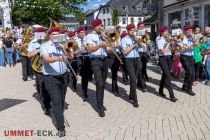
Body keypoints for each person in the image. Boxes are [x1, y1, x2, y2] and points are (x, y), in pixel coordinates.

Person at [40, 26, 74, 137]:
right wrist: (57, 58)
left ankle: (58, 113)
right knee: (57, 101)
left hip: (63, 76)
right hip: (50, 78)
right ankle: (61, 127)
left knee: (62, 99)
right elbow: (46, 59)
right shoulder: (44, 46)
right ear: (50, 36)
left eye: (58, 34)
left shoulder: (62, 45)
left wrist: (67, 49)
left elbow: (71, 56)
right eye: (54, 34)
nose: (56, 36)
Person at [86, 19, 116, 117]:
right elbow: (90, 49)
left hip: (105, 60)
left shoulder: (103, 36)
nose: (101, 27)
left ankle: (100, 102)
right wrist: (100, 45)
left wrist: (112, 45)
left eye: (102, 25)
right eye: (99, 26)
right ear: (95, 26)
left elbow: (107, 49)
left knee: (102, 84)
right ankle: (100, 107)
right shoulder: (89, 36)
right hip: (95, 61)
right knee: (99, 83)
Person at [27, 27, 51, 115]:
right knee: (42, 87)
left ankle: (49, 101)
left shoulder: (47, 42)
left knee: (49, 86)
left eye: (43, 33)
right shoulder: (32, 43)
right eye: (39, 33)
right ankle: (46, 106)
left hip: (48, 66)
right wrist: (38, 50)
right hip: (38, 68)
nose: (42, 35)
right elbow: (29, 54)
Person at [121, 23, 141, 107]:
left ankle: (130, 94)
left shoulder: (136, 38)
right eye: (131, 30)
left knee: (135, 79)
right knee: (133, 79)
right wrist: (133, 44)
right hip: (129, 60)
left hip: (137, 58)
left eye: (134, 30)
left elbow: (143, 46)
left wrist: (139, 41)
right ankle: (135, 100)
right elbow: (125, 52)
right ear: (128, 31)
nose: (133, 32)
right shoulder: (124, 39)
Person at [156, 26, 178, 102]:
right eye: (165, 32)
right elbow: (163, 51)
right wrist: (169, 42)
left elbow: (172, 50)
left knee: (164, 75)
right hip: (163, 58)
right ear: (161, 32)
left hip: (169, 58)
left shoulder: (166, 39)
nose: (167, 33)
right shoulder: (159, 40)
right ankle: (172, 96)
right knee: (168, 76)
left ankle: (160, 91)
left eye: (167, 31)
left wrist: (172, 44)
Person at [75, 26, 92, 101]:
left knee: (88, 74)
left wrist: (87, 48)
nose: (82, 33)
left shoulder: (87, 38)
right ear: (78, 33)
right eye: (81, 32)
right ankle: (84, 93)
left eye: (83, 32)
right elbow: (73, 51)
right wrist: (78, 50)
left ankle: (85, 87)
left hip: (88, 57)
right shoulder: (75, 40)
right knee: (84, 76)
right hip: (80, 57)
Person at [179, 25, 196, 95]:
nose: (191, 32)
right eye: (190, 31)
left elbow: (197, 44)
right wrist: (192, 45)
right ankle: (189, 89)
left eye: (191, 31)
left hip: (191, 56)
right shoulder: (181, 37)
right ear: (186, 31)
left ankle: (184, 86)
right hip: (184, 57)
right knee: (190, 72)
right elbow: (183, 48)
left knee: (188, 72)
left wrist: (194, 40)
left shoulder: (192, 37)